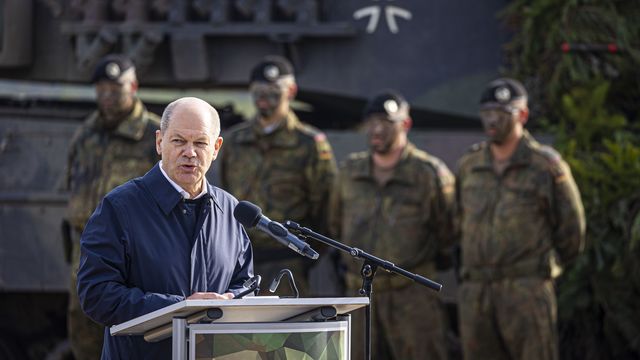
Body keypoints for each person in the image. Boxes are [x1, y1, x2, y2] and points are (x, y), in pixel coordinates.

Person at [77, 97, 254, 359]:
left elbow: (245, 284)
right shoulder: (120, 208)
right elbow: (96, 294)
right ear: (160, 142)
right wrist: (181, 308)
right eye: (179, 141)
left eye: (200, 143)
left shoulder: (229, 210)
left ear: (216, 148)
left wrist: (231, 302)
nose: (190, 152)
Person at [455, 78, 586, 360]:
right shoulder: (470, 165)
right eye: (487, 113)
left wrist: (543, 270)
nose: (492, 120)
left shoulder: (545, 165)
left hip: (526, 288)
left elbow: (571, 229)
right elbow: (455, 220)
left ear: (522, 115)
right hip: (476, 291)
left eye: (502, 114)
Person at [328, 90, 454, 359]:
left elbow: (448, 233)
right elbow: (335, 224)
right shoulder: (350, 173)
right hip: (360, 295)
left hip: (412, 297)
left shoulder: (429, 174)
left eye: (386, 123)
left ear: (405, 125)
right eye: (371, 122)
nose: (377, 130)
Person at [65, 54, 161, 360]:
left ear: (132, 86)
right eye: (102, 88)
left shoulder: (153, 135)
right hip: (87, 248)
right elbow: (72, 180)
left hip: (134, 248)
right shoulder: (86, 133)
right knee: (83, 328)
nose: (107, 95)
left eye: (115, 88)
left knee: (135, 329)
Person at [219, 55, 338, 296]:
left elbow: (326, 206)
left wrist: (309, 252)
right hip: (240, 261)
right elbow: (226, 195)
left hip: (288, 263)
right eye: (259, 91)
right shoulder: (234, 141)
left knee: (286, 333)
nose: (265, 98)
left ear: (291, 91)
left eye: (274, 91)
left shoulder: (309, 144)